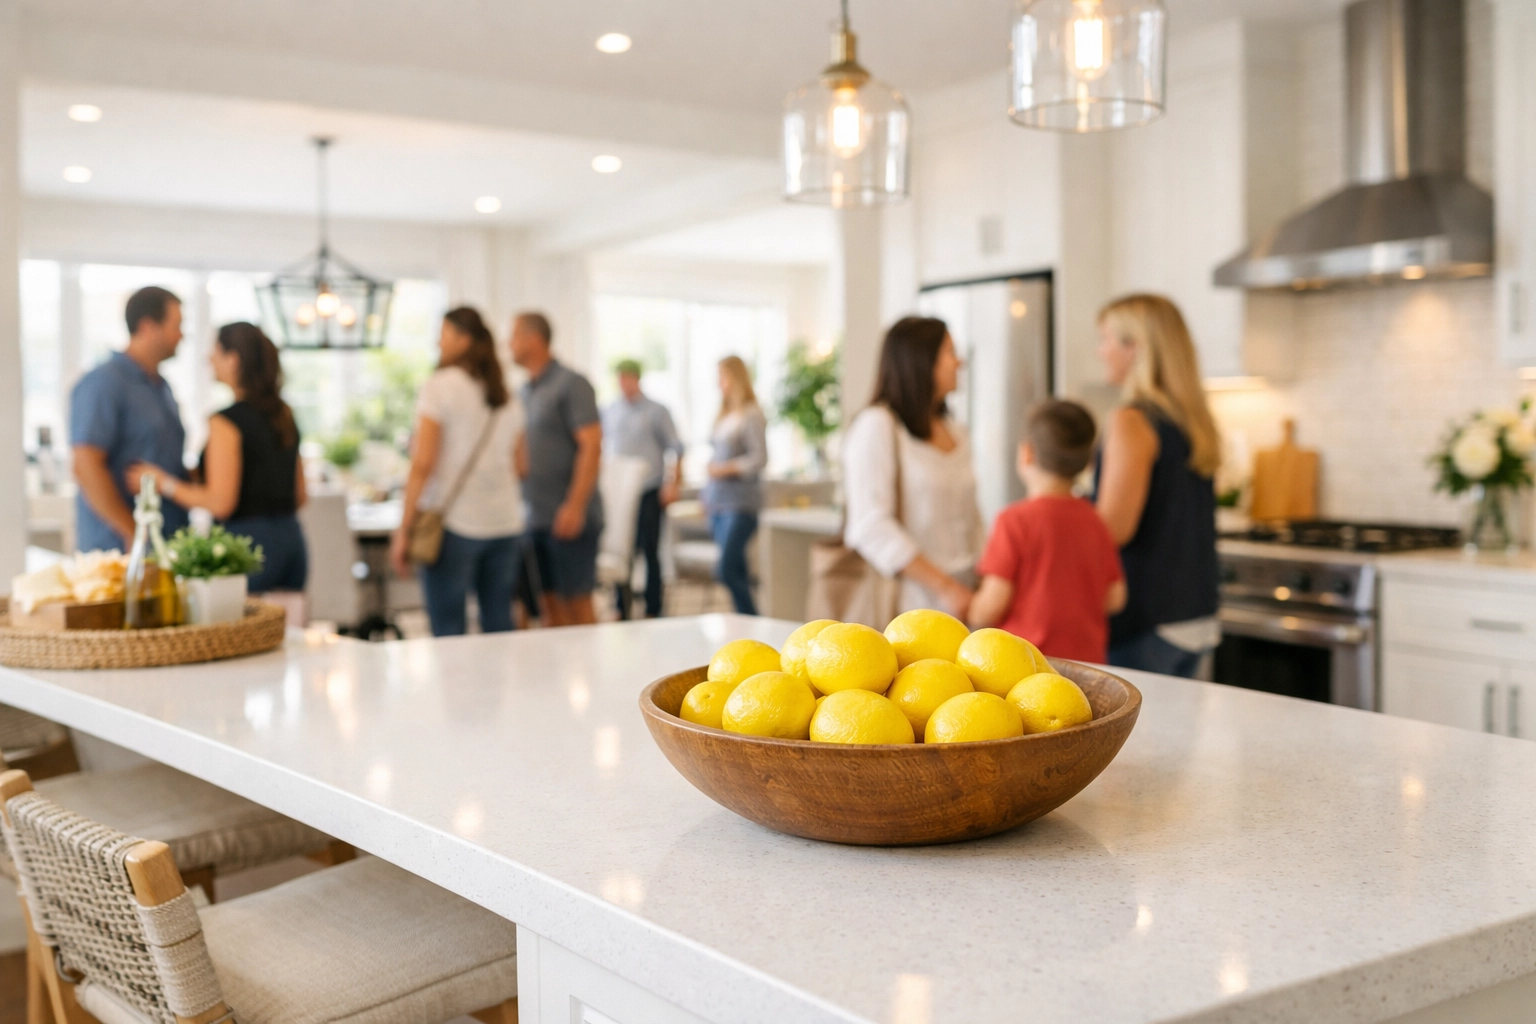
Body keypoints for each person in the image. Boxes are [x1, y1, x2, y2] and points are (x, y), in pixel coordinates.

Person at [1093, 293, 1221, 678]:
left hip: (1146, 619)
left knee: (1138, 739)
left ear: (1135, 348)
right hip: (1195, 615)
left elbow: (1114, 528)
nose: (1101, 352)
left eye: (1107, 339)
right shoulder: (1191, 419)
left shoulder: (1131, 420)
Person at [129, 323, 308, 594]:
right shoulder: (283, 415)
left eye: (215, 351)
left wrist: (162, 482)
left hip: (246, 548)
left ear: (233, 359)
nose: (208, 359)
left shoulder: (225, 422)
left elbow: (221, 503)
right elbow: (300, 495)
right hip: (292, 544)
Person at [389, 307, 526, 637]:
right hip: (505, 522)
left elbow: (423, 464)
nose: (438, 342)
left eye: (444, 334)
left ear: (465, 340)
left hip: (456, 525)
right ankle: (500, 689)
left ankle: (455, 691)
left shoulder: (440, 387)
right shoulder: (508, 396)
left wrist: (404, 528)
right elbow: (522, 467)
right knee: (498, 624)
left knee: (448, 629)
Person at [843, 316, 983, 620]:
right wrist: (944, 587)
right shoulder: (877, 426)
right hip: (908, 604)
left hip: (966, 601)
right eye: (950, 352)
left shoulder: (956, 431)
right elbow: (869, 526)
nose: (959, 362)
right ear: (919, 360)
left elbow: (973, 519)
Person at [969, 400, 1126, 663]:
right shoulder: (1095, 520)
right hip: (1087, 666)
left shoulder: (1014, 521)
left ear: (1027, 454)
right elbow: (1115, 598)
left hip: (1026, 668)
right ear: (1088, 463)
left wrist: (972, 609)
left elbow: (990, 605)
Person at [70, 286, 190, 553]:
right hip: (121, 547)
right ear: (148, 326)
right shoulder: (103, 383)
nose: (182, 335)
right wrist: (133, 533)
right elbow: (85, 465)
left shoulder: (162, 387)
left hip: (166, 538)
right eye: (177, 326)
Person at [510, 311, 603, 626]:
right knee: (549, 607)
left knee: (577, 605)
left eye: (513, 336)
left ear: (533, 339)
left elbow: (591, 446)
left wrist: (575, 505)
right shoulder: (525, 391)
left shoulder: (572, 384)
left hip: (569, 516)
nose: (508, 344)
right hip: (535, 516)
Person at [602, 359, 684, 618]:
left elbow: (676, 447)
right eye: (620, 378)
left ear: (637, 379)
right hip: (619, 495)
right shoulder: (610, 410)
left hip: (649, 490)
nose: (624, 383)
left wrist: (673, 483)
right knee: (622, 549)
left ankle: (653, 607)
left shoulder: (656, 411)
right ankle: (621, 606)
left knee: (650, 550)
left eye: (628, 378)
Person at [701, 356, 768, 616]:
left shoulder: (751, 415)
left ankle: (752, 620)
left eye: (723, 378)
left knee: (726, 569)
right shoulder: (725, 414)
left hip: (740, 504)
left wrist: (725, 468)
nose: (719, 384)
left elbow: (759, 459)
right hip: (717, 502)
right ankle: (746, 627)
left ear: (736, 378)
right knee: (736, 570)